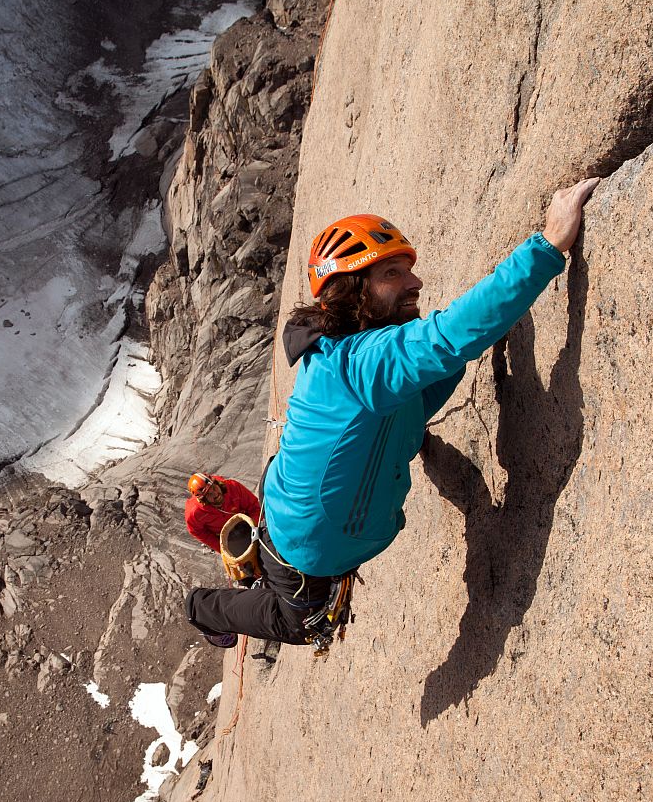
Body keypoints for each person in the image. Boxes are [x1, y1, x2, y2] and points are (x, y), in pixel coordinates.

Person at [186, 178, 601, 647]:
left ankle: (254, 565)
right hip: (302, 547)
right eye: (393, 275)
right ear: (352, 290)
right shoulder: (363, 361)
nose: (415, 282)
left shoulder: (353, 356)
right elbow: (447, 339)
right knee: (303, 624)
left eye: (407, 270)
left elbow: (425, 379)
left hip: (300, 509)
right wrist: (547, 247)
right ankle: (202, 610)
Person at [184, 472, 261, 553]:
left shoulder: (233, 488)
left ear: (217, 483)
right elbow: (198, 532)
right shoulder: (194, 513)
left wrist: (255, 527)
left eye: (214, 488)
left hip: (248, 523)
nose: (216, 494)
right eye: (209, 494)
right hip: (226, 536)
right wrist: (222, 548)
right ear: (204, 500)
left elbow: (255, 508)